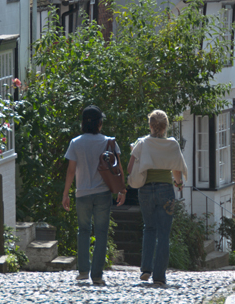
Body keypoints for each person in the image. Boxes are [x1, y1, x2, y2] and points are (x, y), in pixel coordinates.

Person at [62, 105, 125, 286]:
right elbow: (118, 168)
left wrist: (66, 193)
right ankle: (97, 274)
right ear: (99, 123)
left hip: (82, 193)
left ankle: (83, 271)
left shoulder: (76, 142)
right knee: (101, 232)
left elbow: (71, 170)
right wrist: (122, 190)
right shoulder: (109, 142)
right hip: (103, 193)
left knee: (83, 231)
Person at [125, 109, 188, 287]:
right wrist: (179, 183)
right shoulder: (172, 145)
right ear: (166, 126)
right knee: (164, 233)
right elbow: (176, 169)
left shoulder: (143, 143)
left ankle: (146, 269)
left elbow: (130, 167)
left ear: (150, 125)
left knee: (149, 228)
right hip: (165, 190)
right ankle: (159, 276)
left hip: (145, 190)